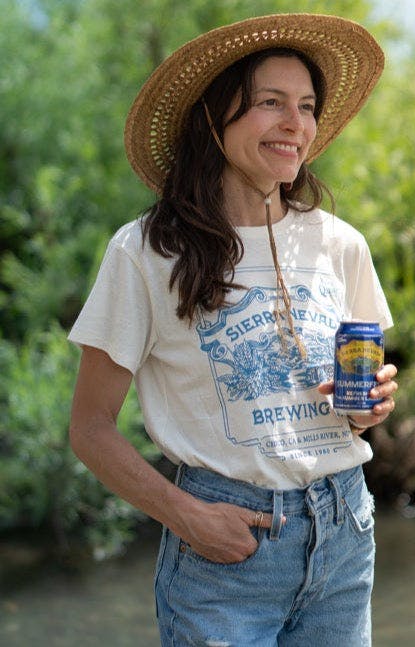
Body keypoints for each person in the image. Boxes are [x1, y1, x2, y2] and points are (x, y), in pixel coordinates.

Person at [68, 12, 398, 646]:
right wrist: (186, 516)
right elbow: (89, 428)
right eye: (269, 103)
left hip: (346, 533)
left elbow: (356, 401)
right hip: (225, 549)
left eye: (305, 106)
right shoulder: (145, 252)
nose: (295, 124)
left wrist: (372, 406)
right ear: (214, 118)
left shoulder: (340, 244)